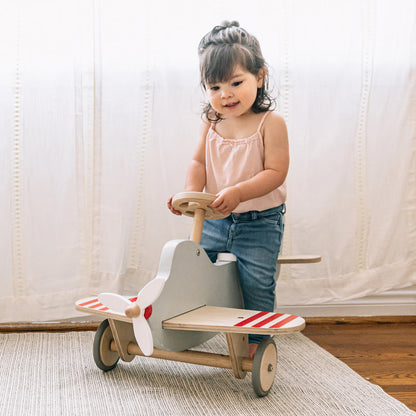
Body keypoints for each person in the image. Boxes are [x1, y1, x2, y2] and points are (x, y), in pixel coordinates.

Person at [167, 21, 289, 358]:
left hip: (259, 222)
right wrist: (190, 196)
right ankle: (185, 324)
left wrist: (237, 193)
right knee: (195, 270)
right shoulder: (212, 121)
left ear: (260, 77)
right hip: (216, 218)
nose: (226, 94)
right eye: (215, 86)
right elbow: (198, 163)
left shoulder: (271, 123)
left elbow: (276, 173)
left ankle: (257, 341)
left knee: (256, 281)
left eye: (236, 82)